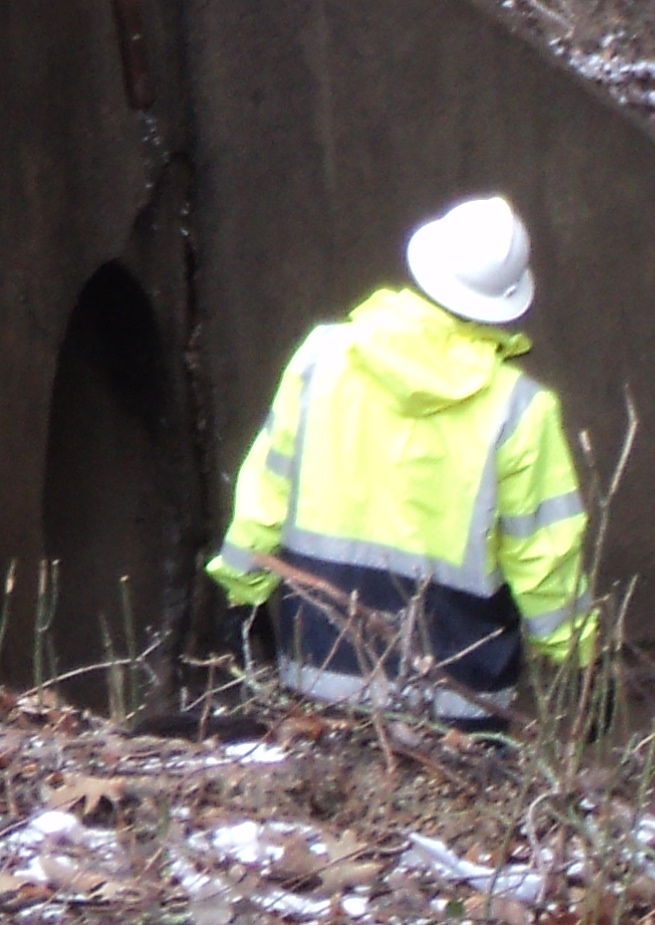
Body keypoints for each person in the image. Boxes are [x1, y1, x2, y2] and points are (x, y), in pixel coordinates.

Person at [208, 195, 597, 729]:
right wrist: (579, 663)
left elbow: (265, 494)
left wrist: (242, 597)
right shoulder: (520, 409)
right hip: (458, 703)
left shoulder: (321, 359)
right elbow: (544, 559)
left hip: (318, 683)